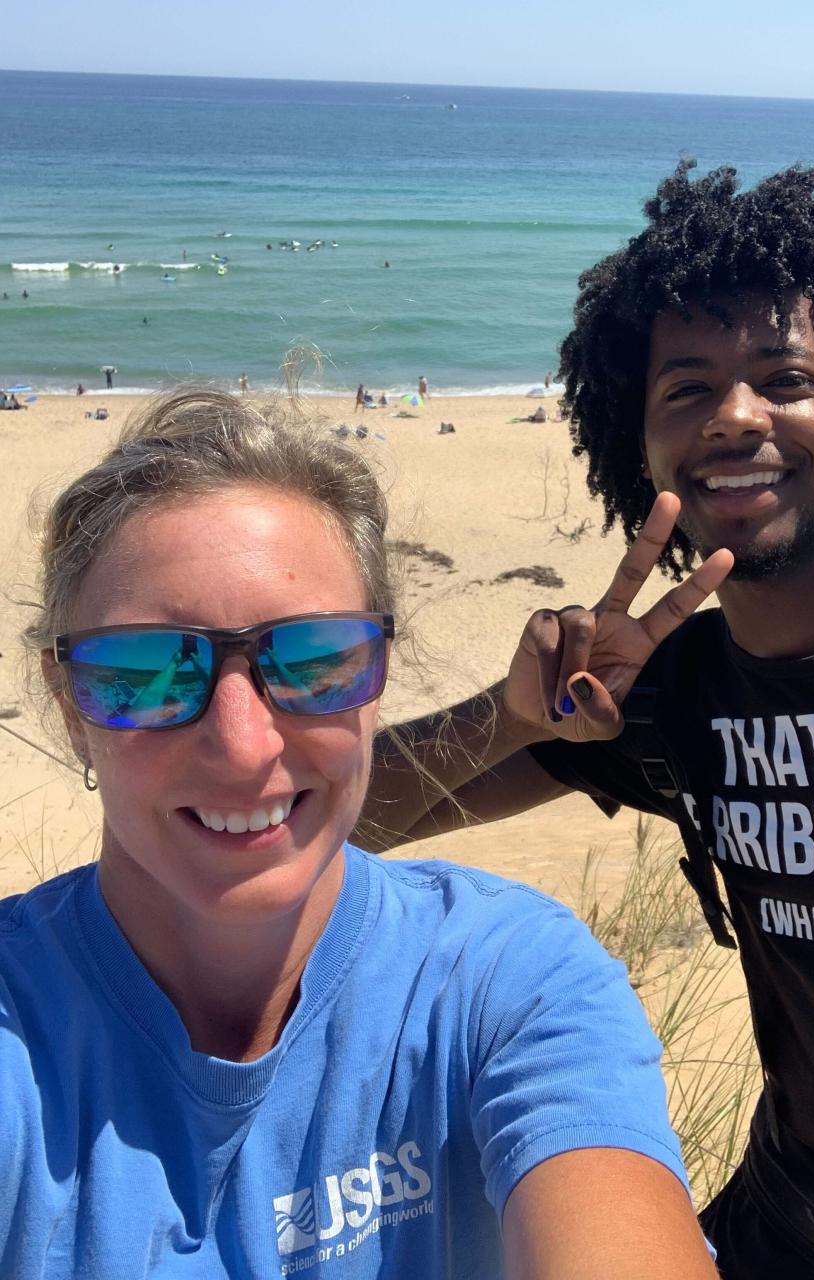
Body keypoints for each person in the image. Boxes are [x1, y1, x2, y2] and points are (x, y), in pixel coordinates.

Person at [359, 162, 814, 1280]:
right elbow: (339, 820)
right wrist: (507, 718)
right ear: (641, 448)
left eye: (785, 378)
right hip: (793, 1241)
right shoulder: (668, 696)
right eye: (686, 390)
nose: (736, 417)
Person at [0, 389, 717, 1279]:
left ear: (377, 672)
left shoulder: (503, 984)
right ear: (71, 705)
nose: (241, 744)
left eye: (312, 660)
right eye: (146, 670)